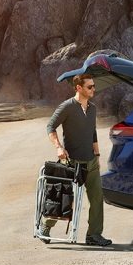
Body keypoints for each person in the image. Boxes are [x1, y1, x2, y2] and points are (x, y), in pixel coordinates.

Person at [40, 73, 111, 246]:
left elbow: (92, 132)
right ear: (79, 88)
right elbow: (50, 126)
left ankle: (93, 235)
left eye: (94, 86)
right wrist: (58, 147)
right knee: (65, 200)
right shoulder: (67, 107)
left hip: (91, 161)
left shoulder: (92, 108)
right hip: (72, 163)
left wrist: (98, 155)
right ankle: (45, 226)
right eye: (90, 87)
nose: (93, 89)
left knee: (96, 198)